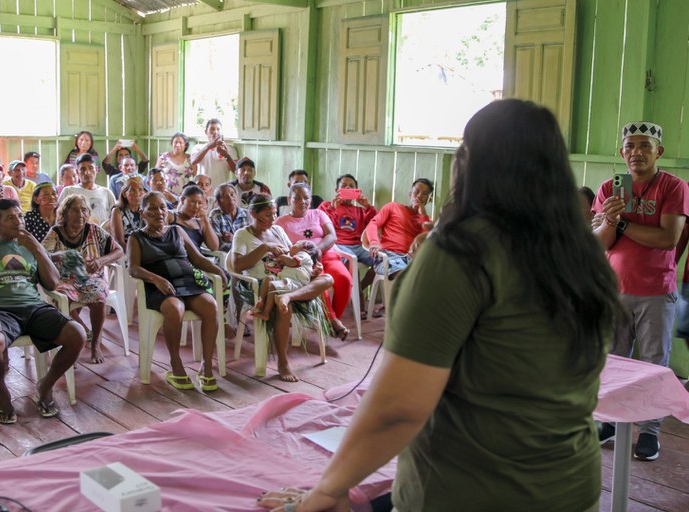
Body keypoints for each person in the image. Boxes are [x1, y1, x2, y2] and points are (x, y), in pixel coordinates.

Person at [258, 99, 623, 512]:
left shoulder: (463, 251)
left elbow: (399, 407)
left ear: (468, 162)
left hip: (473, 494)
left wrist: (325, 492)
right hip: (572, 488)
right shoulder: (586, 255)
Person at [593, 121, 689, 461]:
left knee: (653, 363)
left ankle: (650, 433)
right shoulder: (610, 188)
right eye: (630, 146)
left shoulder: (674, 187)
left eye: (644, 146)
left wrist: (621, 224)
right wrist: (607, 222)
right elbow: (602, 244)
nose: (636, 152)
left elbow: (667, 238)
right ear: (622, 152)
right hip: (615, 290)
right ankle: (611, 424)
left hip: (656, 292)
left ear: (658, 151)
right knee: (614, 360)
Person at [0, 199, 85, 423]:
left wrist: (37, 248)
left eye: (20, 215)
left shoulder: (31, 247)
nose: (18, 221)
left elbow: (53, 283)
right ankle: (2, 392)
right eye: (10, 218)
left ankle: (45, 385)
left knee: (77, 334)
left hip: (34, 308)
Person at [128, 192, 226, 392]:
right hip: (161, 288)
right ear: (142, 213)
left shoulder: (176, 231)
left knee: (211, 306)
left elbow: (197, 259)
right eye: (153, 208)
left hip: (189, 283)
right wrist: (156, 278)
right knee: (174, 308)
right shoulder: (136, 238)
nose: (159, 212)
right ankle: (176, 365)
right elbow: (133, 268)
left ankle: (206, 366)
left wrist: (219, 271)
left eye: (163, 207)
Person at [231, 194, 334, 382]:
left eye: (274, 214)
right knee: (283, 306)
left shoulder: (278, 230)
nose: (272, 219)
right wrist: (264, 248)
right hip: (264, 286)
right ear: (253, 213)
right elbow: (236, 266)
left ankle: (289, 297)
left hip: (290, 280)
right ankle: (283, 361)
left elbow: (293, 254)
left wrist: (311, 269)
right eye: (268, 215)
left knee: (326, 278)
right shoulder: (242, 235)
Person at [43, 194, 124, 364]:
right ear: (65, 213)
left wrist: (100, 261)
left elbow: (118, 251)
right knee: (62, 299)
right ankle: (78, 337)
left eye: (84, 210)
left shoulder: (94, 230)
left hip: (91, 278)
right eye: (74, 210)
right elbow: (43, 255)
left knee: (99, 296)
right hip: (64, 280)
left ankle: (95, 343)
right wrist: (60, 255)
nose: (80, 214)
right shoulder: (56, 232)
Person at [276, 183, 353, 339]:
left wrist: (317, 249)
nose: (302, 201)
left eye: (306, 198)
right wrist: (303, 255)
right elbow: (281, 248)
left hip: (327, 255)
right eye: (297, 198)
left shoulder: (319, 214)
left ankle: (330, 322)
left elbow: (332, 236)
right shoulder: (281, 222)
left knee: (345, 279)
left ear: (310, 201)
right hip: (303, 262)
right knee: (320, 283)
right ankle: (333, 322)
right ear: (289, 199)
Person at [319, 173, 378, 318]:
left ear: (357, 191)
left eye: (351, 186)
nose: (347, 188)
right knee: (352, 263)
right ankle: (360, 304)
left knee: (383, 260)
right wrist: (333, 208)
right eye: (344, 186)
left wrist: (367, 206)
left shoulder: (360, 210)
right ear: (336, 190)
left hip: (358, 246)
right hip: (339, 245)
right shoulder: (327, 206)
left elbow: (375, 222)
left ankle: (359, 289)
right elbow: (321, 225)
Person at [364, 178, 433, 281]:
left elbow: (427, 243)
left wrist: (423, 215)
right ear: (410, 194)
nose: (419, 196)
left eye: (424, 194)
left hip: (411, 259)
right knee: (407, 276)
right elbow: (373, 224)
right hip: (388, 256)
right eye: (416, 191)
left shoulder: (425, 221)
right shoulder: (393, 207)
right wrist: (374, 242)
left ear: (429, 199)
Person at [251, 240, 321, 321]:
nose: (292, 245)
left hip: (296, 283)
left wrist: (282, 256)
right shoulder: (295, 257)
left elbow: (293, 262)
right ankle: (261, 300)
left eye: (296, 243)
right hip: (286, 280)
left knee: (273, 285)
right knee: (268, 278)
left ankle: (266, 312)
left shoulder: (304, 255)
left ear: (305, 248)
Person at [58, 153, 116, 226]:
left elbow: (115, 219)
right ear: (77, 172)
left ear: (96, 170)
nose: (87, 172)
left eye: (90, 168)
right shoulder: (69, 191)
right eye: (83, 169)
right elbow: (59, 218)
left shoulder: (106, 193)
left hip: (102, 235)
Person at [190, 119, 237, 186]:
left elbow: (236, 171)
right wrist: (208, 146)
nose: (215, 132)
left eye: (218, 129)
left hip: (221, 192)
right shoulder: (197, 148)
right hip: (202, 191)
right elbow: (193, 161)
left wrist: (227, 155)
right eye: (212, 129)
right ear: (206, 132)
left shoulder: (230, 149)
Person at [172, 185, 219, 252]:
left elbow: (214, 247)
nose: (196, 206)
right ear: (182, 200)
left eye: (200, 203)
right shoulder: (172, 217)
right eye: (193, 202)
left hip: (196, 260)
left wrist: (205, 220)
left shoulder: (200, 223)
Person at [110, 175, 147, 251]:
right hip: (126, 253)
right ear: (124, 194)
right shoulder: (117, 211)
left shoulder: (146, 210)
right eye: (132, 190)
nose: (137, 193)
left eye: (140, 190)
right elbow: (119, 242)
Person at [210, 184, 250, 252]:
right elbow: (219, 245)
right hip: (225, 257)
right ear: (218, 202)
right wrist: (242, 245)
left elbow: (253, 240)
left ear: (237, 197)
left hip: (248, 255)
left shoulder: (247, 214)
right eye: (225, 196)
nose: (230, 198)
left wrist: (234, 238)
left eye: (232, 194)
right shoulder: (215, 216)